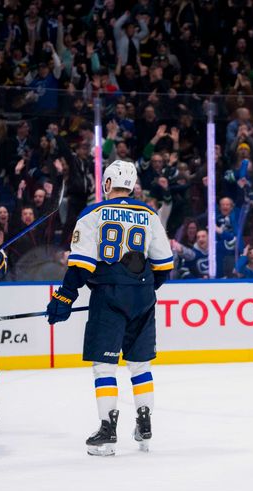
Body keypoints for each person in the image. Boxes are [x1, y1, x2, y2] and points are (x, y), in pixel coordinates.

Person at [45, 160, 173, 456]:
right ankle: (144, 425)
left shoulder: (93, 213)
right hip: (142, 295)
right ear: (132, 185)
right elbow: (164, 266)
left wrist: (64, 298)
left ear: (106, 183)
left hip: (108, 295)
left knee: (105, 366)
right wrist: (137, 289)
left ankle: (107, 429)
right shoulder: (149, 214)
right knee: (140, 365)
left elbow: (81, 265)